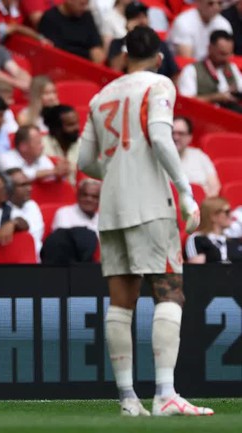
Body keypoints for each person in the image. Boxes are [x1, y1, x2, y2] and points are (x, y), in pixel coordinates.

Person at [77, 26, 213, 417]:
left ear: (122, 58)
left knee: (121, 303)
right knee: (169, 292)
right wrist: (185, 190)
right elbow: (159, 133)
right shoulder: (159, 84)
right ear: (158, 57)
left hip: (112, 207)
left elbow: (84, 162)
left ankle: (127, 399)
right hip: (152, 204)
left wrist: (119, 169)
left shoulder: (101, 95)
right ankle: (166, 394)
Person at [177, 30, 242, 113]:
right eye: (222, 54)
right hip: (204, 116)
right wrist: (215, 97)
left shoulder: (232, 67)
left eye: (229, 54)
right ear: (210, 48)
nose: (226, 58)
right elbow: (187, 102)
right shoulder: (191, 70)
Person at [0, 124, 68, 182]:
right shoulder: (5, 159)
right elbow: (17, 178)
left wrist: (59, 174)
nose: (42, 146)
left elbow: (52, 177)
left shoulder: (42, 158)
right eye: (38, 143)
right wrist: (52, 172)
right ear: (23, 146)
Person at [168, 0, 232, 60]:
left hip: (213, 66)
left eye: (220, 3)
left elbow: (228, 56)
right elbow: (186, 59)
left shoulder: (224, 24)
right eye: (210, 3)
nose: (216, 7)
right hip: (188, 69)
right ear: (198, 3)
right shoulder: (183, 22)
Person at [173, 116, 220, 198]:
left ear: (189, 137)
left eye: (181, 133)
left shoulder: (199, 155)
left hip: (202, 204)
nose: (176, 137)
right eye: (172, 133)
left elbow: (215, 186)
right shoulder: (158, 158)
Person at [185, 196, 242, 263]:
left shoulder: (234, 240)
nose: (231, 215)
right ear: (213, 216)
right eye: (227, 212)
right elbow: (196, 270)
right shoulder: (198, 239)